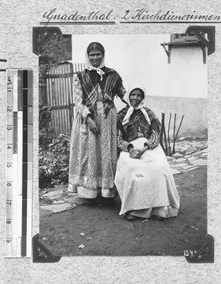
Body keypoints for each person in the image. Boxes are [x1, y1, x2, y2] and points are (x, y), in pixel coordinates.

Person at [68, 42, 126, 204]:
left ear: (103, 55)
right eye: (92, 55)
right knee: (89, 153)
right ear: (87, 56)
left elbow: (123, 94)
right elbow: (78, 102)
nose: (95, 57)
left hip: (107, 118)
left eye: (98, 54)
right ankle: (90, 194)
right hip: (87, 120)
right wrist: (90, 120)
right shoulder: (79, 76)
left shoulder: (113, 74)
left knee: (106, 151)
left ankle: (107, 193)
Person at [115, 85, 180, 221]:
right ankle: (135, 209)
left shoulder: (149, 113)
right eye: (133, 94)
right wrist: (131, 149)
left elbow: (155, 135)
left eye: (139, 95)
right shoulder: (121, 115)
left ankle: (160, 208)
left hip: (149, 148)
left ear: (143, 98)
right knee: (131, 169)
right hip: (129, 149)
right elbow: (118, 139)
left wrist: (145, 148)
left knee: (158, 168)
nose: (135, 98)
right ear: (128, 96)